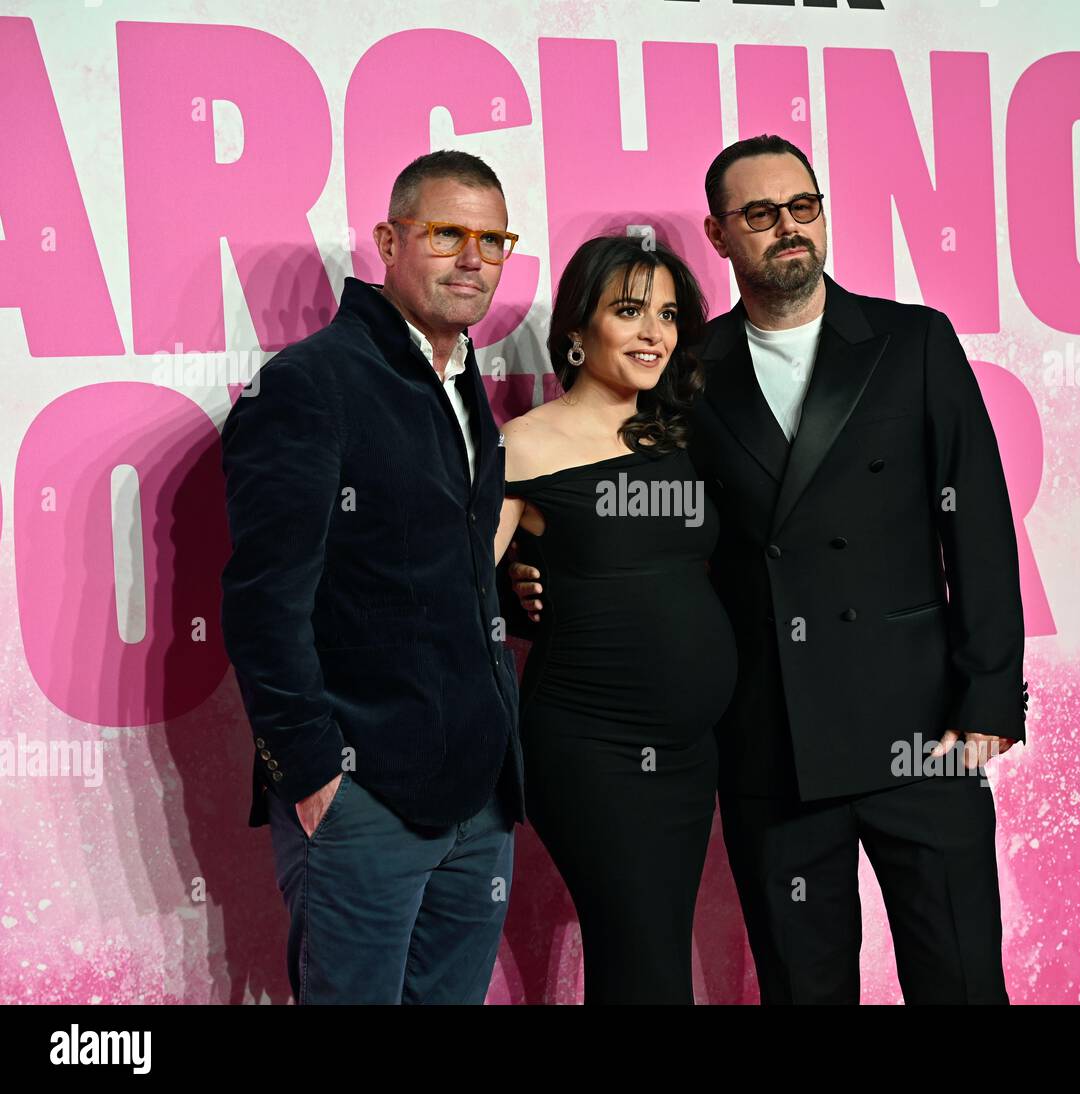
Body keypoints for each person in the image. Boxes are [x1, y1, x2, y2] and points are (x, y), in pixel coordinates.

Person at [509, 134, 1030, 1004]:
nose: (787, 228)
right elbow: (614, 512)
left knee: (965, 980)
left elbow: (977, 525)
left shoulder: (913, 340)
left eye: (803, 206)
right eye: (759, 214)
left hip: (922, 731)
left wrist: (990, 698)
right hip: (772, 737)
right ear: (718, 236)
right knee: (804, 985)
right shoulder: (686, 371)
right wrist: (523, 583)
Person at [220, 150, 524, 1004]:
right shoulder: (311, 386)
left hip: (480, 798)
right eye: (448, 234)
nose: (473, 258)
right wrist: (313, 773)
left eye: (493, 240)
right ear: (389, 241)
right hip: (360, 797)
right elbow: (263, 602)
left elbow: (440, 569)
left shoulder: (467, 387)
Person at [492, 235, 737, 1004]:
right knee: (642, 956)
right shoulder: (522, 445)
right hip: (590, 747)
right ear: (577, 329)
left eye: (666, 315)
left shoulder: (680, 436)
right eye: (629, 311)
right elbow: (457, 587)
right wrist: (509, 588)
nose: (653, 333)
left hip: (689, 753)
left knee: (651, 952)